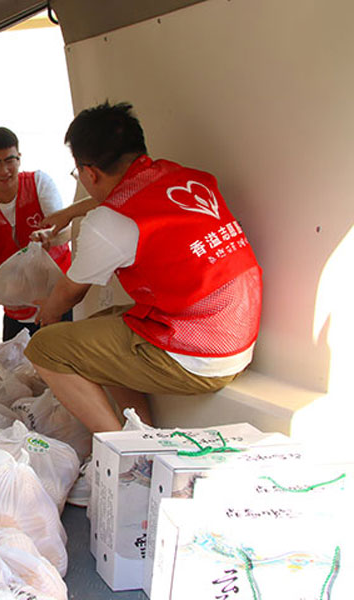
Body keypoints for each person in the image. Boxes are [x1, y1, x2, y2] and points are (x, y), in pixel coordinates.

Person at [24, 102, 262, 433]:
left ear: (89, 172)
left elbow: (68, 294)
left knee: (46, 347)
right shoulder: (179, 176)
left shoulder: (108, 223)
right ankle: (141, 430)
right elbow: (122, 193)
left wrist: (46, 315)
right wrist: (67, 215)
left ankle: (124, 452)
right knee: (104, 327)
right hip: (235, 337)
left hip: (199, 356)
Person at [0, 126, 73, 341]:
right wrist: (26, 298)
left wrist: (50, 237)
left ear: (19, 158)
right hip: (16, 315)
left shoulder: (39, 183)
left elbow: (66, 231)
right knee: (15, 372)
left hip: (61, 301)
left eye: (9, 160)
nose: (4, 170)